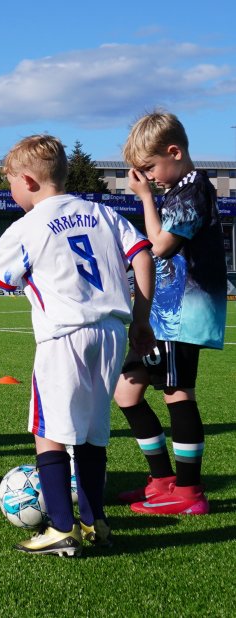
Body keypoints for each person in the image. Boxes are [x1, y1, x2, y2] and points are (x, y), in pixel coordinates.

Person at [0, 135, 154, 555]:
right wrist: (141, 318)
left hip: (63, 336)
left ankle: (61, 528)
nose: (11, 192)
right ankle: (94, 522)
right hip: (110, 332)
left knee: (47, 433)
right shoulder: (104, 213)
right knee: (91, 434)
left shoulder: (26, 227)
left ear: (28, 181)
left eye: (11, 183)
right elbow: (143, 255)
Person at [112, 111, 227, 516]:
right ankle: (163, 480)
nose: (147, 177)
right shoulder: (179, 190)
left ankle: (190, 492)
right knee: (126, 391)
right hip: (165, 312)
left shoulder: (193, 190)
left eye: (149, 168)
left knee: (178, 393)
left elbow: (160, 246)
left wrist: (145, 198)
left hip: (184, 311)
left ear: (174, 152)